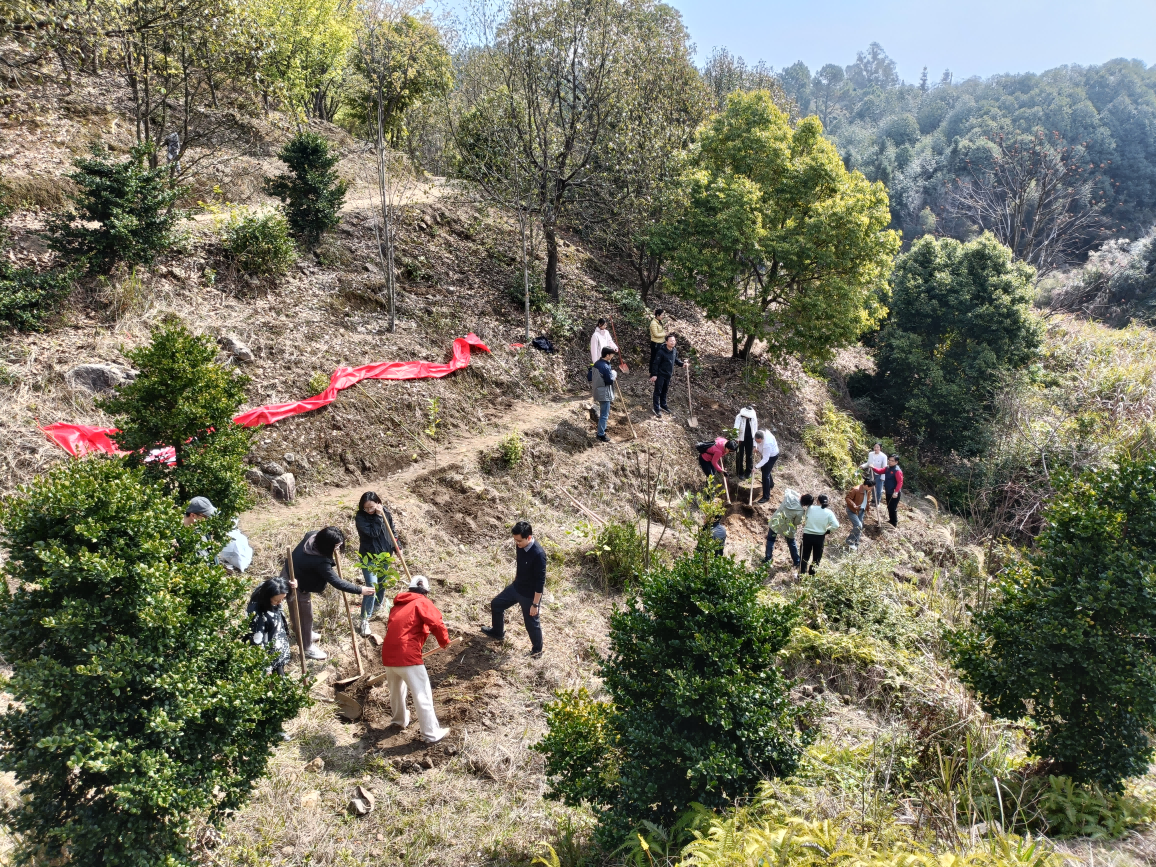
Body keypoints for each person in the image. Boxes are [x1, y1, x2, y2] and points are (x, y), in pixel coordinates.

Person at [282, 527, 375, 661]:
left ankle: (304, 633)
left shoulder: (312, 535)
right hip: (295, 583)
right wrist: (360, 590)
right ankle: (307, 647)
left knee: (301, 614)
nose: (339, 547)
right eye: (336, 545)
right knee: (305, 615)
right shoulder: (319, 561)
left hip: (292, 572)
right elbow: (336, 582)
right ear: (326, 544)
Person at [381, 574, 451, 743]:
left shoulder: (397, 605)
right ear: (425, 592)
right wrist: (444, 642)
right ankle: (431, 733)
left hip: (388, 654)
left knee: (396, 691)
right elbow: (436, 623)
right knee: (422, 694)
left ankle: (399, 721)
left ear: (410, 589)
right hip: (407, 655)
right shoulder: (422, 602)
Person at [481, 521, 546, 657]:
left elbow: (540, 582)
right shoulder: (520, 545)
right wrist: (516, 580)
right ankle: (498, 632)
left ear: (529, 537)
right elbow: (520, 564)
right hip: (516, 587)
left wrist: (535, 604)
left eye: (519, 541)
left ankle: (537, 651)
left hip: (529, 595)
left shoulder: (538, 554)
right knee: (496, 604)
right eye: (515, 540)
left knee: (531, 623)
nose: (517, 544)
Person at [355, 492, 400, 637]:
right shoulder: (361, 517)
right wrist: (379, 517)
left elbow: (391, 531)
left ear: (378, 503)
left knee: (381, 582)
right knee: (371, 586)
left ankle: (378, 605)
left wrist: (397, 546)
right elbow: (373, 533)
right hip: (369, 557)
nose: (369, 510)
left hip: (385, 555)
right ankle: (365, 620)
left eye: (372, 507)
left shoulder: (384, 511)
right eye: (366, 508)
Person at [246, 576, 293, 675]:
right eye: (276, 601)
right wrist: (266, 666)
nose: (280, 603)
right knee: (276, 683)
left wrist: (292, 587)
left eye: (282, 599)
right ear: (267, 597)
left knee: (280, 677)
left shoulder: (270, 591)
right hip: (268, 654)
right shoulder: (257, 614)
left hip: (278, 646)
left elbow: (275, 584)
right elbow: (257, 643)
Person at [799, 494, 840, 576]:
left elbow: (805, 518)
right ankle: (812, 577)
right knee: (816, 559)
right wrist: (827, 531)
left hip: (807, 536)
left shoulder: (810, 508)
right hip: (820, 537)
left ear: (817, 501)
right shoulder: (829, 512)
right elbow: (836, 525)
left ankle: (801, 576)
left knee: (804, 557)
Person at [765, 488, 804, 570]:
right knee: (791, 543)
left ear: (801, 497)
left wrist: (797, 494)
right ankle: (796, 561)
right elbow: (797, 522)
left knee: (771, 540)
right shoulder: (800, 510)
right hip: (788, 528)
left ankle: (768, 559)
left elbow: (787, 489)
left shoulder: (789, 497)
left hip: (776, 522)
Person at [648, 333, 685, 419]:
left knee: (665, 391)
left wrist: (682, 364)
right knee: (658, 391)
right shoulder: (661, 351)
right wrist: (654, 374)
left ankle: (663, 405)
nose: (673, 342)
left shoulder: (674, 350)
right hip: (660, 374)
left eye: (674, 341)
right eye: (671, 341)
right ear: (666, 342)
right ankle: (656, 408)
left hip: (668, 374)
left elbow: (676, 360)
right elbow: (655, 364)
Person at [589, 346, 617, 443]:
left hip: (598, 390)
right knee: (604, 414)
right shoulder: (605, 366)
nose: (612, 356)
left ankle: (602, 427)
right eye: (612, 355)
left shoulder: (597, 363)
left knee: (604, 412)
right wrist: (613, 374)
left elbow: (589, 377)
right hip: (604, 393)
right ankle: (601, 434)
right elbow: (609, 381)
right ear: (607, 355)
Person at [844, 476, 872, 549]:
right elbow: (847, 498)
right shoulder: (856, 489)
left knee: (860, 527)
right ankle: (849, 541)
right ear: (866, 486)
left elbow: (867, 501)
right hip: (852, 510)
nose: (871, 489)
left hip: (861, 510)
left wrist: (868, 510)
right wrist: (854, 505)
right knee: (858, 526)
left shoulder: (868, 490)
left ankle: (856, 544)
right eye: (870, 487)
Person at [753, 429, 779, 503]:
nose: (757, 442)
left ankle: (766, 497)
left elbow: (765, 459)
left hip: (771, 457)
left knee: (765, 475)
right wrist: (755, 447)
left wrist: (755, 467)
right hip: (765, 455)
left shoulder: (767, 444)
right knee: (764, 470)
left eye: (758, 441)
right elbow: (755, 441)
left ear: (761, 439)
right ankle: (770, 484)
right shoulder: (760, 433)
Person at [734, 407, 758, 479]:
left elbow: (755, 429)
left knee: (749, 455)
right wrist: (736, 438)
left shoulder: (753, 418)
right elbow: (736, 428)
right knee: (739, 455)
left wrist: (755, 444)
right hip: (740, 438)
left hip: (750, 438)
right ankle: (739, 472)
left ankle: (748, 471)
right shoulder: (739, 417)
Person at [884, 455, 904, 527]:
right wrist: (873, 468)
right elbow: (880, 471)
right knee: (889, 506)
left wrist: (896, 492)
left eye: (892, 461)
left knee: (893, 508)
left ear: (896, 462)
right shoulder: (888, 468)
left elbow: (900, 482)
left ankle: (894, 522)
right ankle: (890, 520)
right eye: (889, 460)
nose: (889, 462)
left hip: (894, 493)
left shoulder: (897, 471)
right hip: (888, 491)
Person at [867, 443, 888, 509]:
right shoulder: (870, 454)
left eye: (877, 447)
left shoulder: (883, 456)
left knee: (878, 489)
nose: (876, 448)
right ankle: (873, 499)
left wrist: (882, 477)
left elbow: (884, 468)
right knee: (872, 486)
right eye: (875, 447)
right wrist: (862, 466)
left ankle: (877, 501)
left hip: (879, 474)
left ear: (880, 448)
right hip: (871, 473)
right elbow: (868, 463)